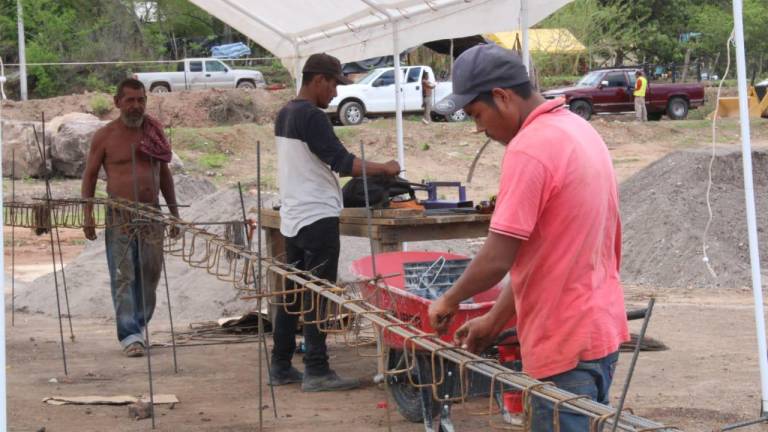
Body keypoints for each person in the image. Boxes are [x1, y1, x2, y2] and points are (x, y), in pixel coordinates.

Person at [428, 44, 629, 431]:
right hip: (597, 335)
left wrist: (449, 299)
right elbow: (545, 256)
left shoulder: (530, 148)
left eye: (477, 114)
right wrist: (493, 320)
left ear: (502, 97)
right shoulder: (578, 129)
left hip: (563, 343)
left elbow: (498, 258)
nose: (479, 128)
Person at [272, 53, 401, 392]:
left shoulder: (285, 112)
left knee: (292, 292)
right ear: (318, 80)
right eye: (333, 86)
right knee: (319, 293)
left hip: (293, 215)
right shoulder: (312, 116)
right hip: (317, 215)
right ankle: (316, 369)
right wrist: (384, 168)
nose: (335, 94)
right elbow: (343, 162)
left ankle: (281, 364)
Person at [81, 78, 180, 358]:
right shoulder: (105, 136)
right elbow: (89, 175)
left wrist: (174, 214)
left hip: (152, 215)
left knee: (150, 274)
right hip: (119, 215)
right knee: (124, 274)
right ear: (117, 103)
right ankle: (129, 334)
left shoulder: (153, 133)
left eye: (141, 100)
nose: (136, 106)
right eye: (130, 101)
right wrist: (87, 214)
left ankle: (139, 324)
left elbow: (164, 174)